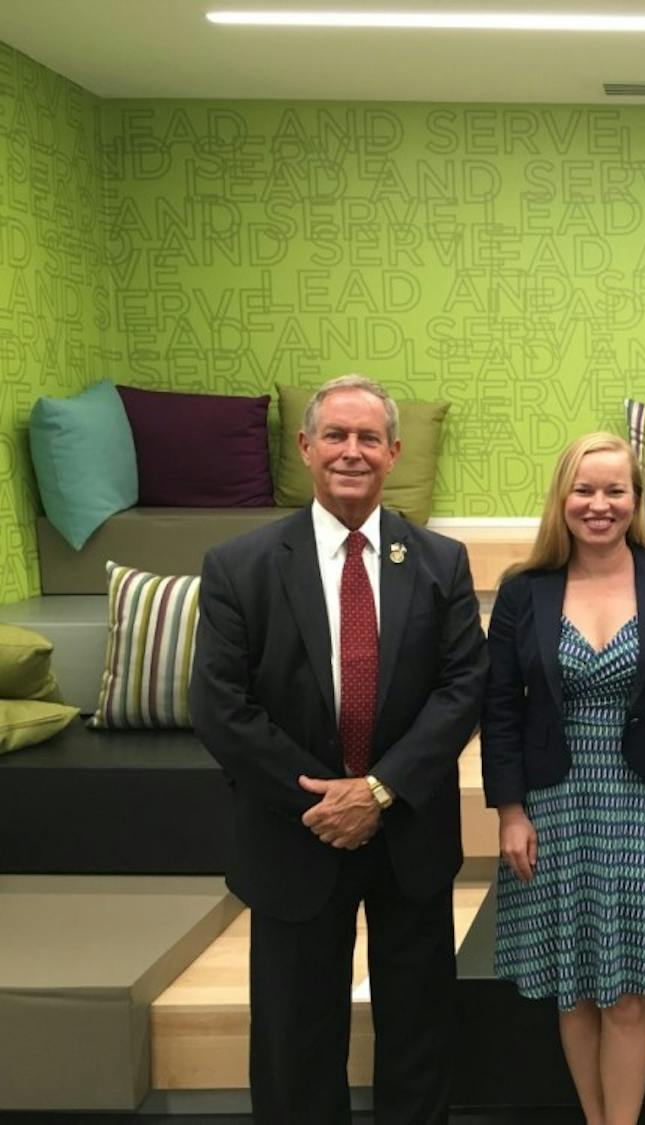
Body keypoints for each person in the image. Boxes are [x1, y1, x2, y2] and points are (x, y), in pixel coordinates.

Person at [190, 374, 487, 1123]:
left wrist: (379, 791)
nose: (351, 452)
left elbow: (463, 689)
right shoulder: (239, 566)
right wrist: (328, 801)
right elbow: (221, 707)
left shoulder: (440, 563)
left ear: (393, 451)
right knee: (295, 1041)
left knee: (419, 1032)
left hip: (408, 831)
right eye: (335, 435)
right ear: (305, 448)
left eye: (367, 439)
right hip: (295, 833)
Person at [481, 432, 645, 1125]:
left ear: (636, 499)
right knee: (575, 987)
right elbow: (499, 707)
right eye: (584, 489)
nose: (599, 504)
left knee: (629, 994)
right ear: (562, 499)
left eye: (614, 489)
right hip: (553, 805)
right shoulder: (522, 591)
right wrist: (509, 810)